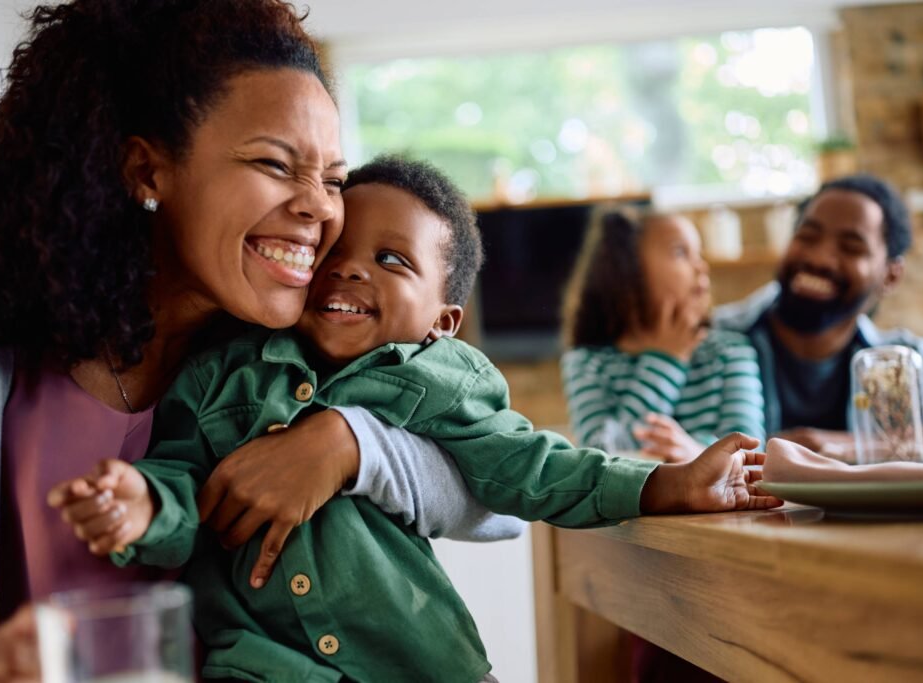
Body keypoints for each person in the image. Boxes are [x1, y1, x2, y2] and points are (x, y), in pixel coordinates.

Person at [0, 3, 517, 680]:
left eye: (331, 179)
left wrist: (347, 444)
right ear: (148, 171)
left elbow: (500, 500)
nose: (322, 208)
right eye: (275, 162)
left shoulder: (292, 360)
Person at [54, 155, 780, 683]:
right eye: (335, 251)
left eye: (392, 259)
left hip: (421, 660)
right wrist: (143, 505)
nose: (350, 268)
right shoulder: (222, 372)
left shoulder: (441, 381)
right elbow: (182, 479)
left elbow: (536, 469)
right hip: (261, 666)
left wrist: (667, 483)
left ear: (444, 319)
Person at [712, 174, 923, 451]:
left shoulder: (915, 365)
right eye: (807, 236)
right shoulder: (709, 340)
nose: (818, 258)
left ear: (890, 276)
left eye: (851, 247)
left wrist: (852, 445)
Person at [559, 208, 766, 463]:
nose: (701, 266)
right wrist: (667, 360)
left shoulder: (732, 351)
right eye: (680, 252)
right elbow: (599, 457)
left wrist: (694, 454)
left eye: (698, 253)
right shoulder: (586, 362)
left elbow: (751, 454)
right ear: (626, 271)